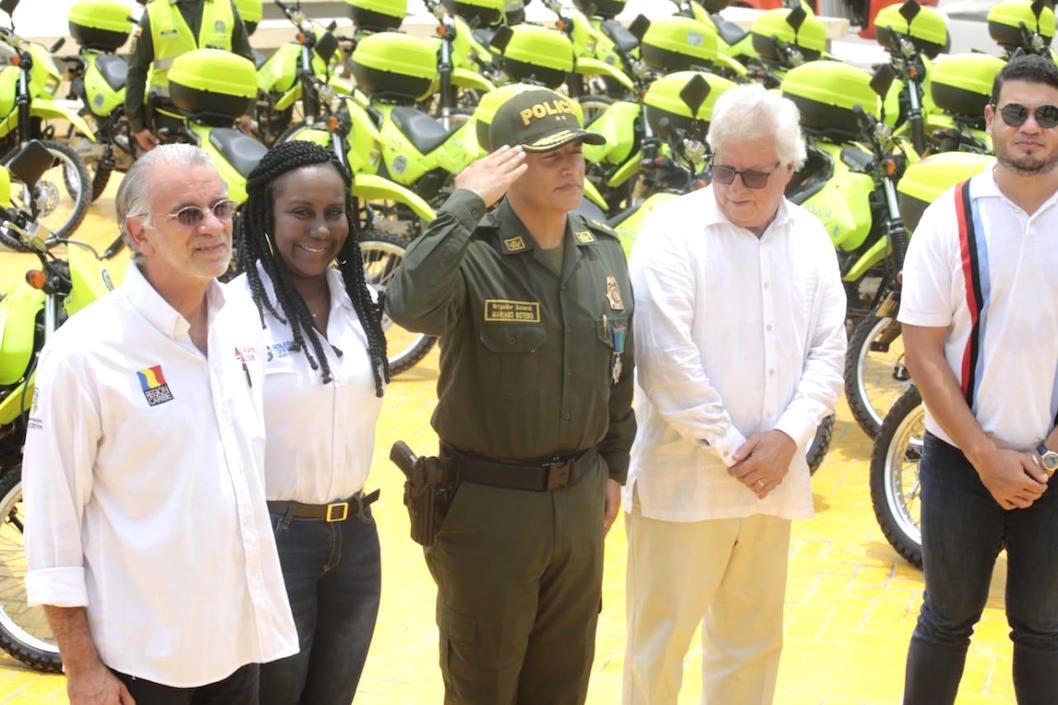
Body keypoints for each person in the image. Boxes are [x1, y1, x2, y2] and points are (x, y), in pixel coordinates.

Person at [385, 87, 636, 705]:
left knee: (563, 681)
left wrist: (614, 467)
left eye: (577, 152)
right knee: (484, 685)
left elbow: (619, 370)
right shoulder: (471, 251)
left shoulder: (602, 247)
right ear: (508, 165)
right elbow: (407, 305)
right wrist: (465, 203)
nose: (572, 166)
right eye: (552, 155)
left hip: (579, 504)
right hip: (489, 510)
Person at [22, 143, 297, 704]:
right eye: (188, 214)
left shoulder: (240, 323)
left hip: (238, 644)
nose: (214, 227)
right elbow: (51, 525)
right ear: (138, 234)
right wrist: (81, 667)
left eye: (221, 208)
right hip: (141, 662)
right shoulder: (86, 353)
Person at [622, 82, 847, 705]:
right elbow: (664, 358)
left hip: (771, 485)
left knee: (751, 647)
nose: (736, 189)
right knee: (657, 647)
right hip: (683, 481)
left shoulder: (811, 239)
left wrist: (786, 439)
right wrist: (735, 449)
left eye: (755, 175)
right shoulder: (672, 233)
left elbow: (830, 350)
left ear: (790, 169)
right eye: (723, 170)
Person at [898, 54, 1058, 705]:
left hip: (1056, 466)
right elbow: (922, 346)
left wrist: (1045, 454)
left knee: (1046, 630)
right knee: (946, 620)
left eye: (1049, 115)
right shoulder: (949, 216)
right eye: (1016, 112)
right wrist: (987, 456)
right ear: (990, 119)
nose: (1031, 126)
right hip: (960, 461)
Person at [229, 140, 389, 705]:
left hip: (356, 537)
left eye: (334, 212)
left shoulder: (364, 303)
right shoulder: (232, 313)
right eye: (301, 212)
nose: (320, 229)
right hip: (274, 539)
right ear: (265, 216)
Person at [126, 0, 254, 151]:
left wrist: (248, 110)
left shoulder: (226, 8)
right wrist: (137, 126)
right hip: (171, 119)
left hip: (219, 120)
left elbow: (246, 62)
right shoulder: (155, 13)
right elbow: (136, 72)